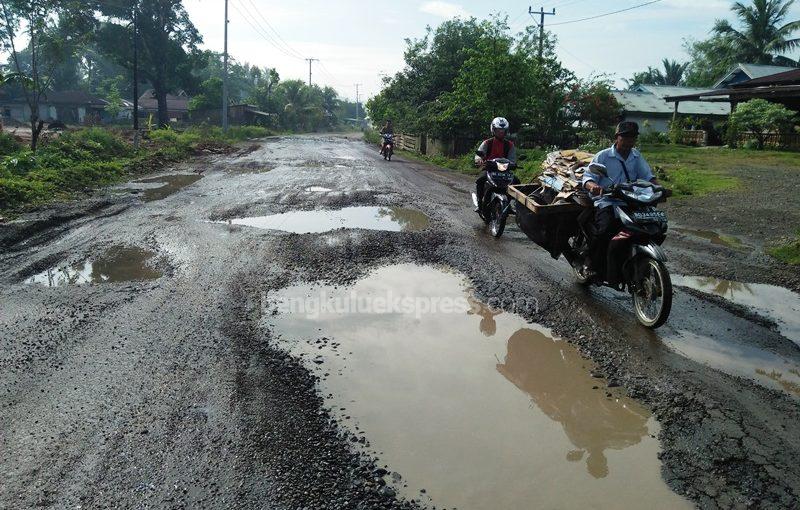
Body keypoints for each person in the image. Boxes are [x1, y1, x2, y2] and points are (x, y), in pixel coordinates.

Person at [581, 121, 659, 278]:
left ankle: (634, 257)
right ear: (617, 137)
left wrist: (660, 189)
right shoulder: (603, 156)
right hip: (608, 200)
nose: (629, 141)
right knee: (606, 228)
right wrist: (594, 186)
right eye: (625, 137)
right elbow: (588, 177)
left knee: (654, 225)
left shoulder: (636, 156)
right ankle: (590, 263)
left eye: (632, 137)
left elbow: (648, 177)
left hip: (631, 201)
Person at [474, 117, 518, 209]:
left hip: (505, 170)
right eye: (498, 130)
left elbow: (512, 159)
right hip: (489, 168)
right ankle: (479, 202)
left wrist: (513, 164)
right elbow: (479, 154)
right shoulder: (487, 143)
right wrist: (479, 160)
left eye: (503, 131)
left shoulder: (510, 145)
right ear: (493, 130)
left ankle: (514, 204)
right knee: (480, 180)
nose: (501, 133)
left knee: (517, 182)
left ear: (506, 131)